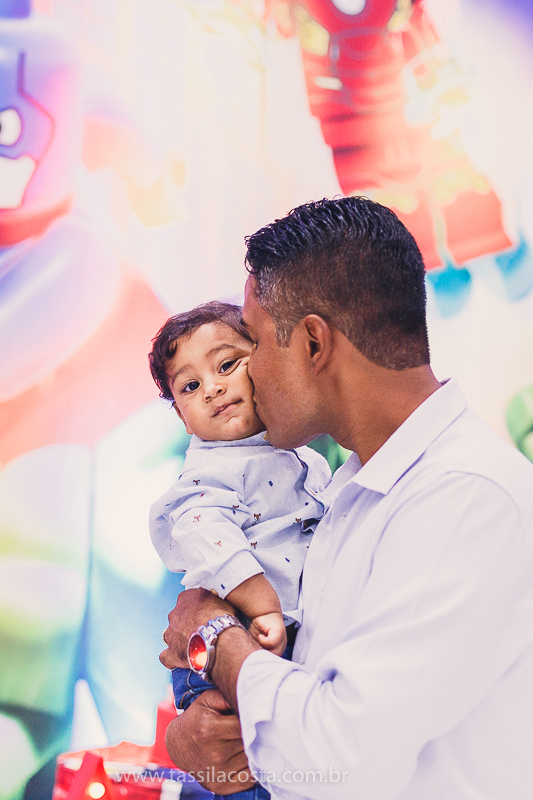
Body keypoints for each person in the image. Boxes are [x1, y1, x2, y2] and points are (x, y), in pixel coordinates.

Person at [159, 196, 533, 799]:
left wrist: (216, 639)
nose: (244, 380)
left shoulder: (467, 498)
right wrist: (200, 738)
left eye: (252, 346)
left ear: (313, 344)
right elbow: (297, 713)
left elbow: (339, 754)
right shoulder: (342, 489)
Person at [147, 301, 332, 799]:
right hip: (238, 644)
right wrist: (262, 605)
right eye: (190, 386)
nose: (212, 388)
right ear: (183, 418)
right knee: (247, 778)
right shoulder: (209, 473)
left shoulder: (303, 458)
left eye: (227, 365)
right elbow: (210, 538)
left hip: (272, 646)